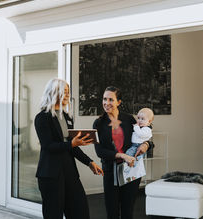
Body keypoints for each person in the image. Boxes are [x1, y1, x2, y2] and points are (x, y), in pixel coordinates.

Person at [35, 78, 103, 219]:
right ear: (53, 93)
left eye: (68, 92)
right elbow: (48, 146)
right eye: (64, 92)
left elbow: (72, 147)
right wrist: (72, 144)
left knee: (80, 211)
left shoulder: (66, 117)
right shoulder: (42, 118)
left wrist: (90, 162)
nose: (67, 96)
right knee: (53, 214)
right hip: (50, 175)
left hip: (69, 173)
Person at [93, 86, 153, 219]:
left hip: (131, 171)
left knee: (128, 211)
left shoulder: (129, 120)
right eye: (104, 99)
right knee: (112, 212)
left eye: (111, 99)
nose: (106, 103)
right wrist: (121, 155)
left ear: (118, 102)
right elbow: (100, 151)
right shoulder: (98, 123)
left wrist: (146, 144)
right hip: (110, 172)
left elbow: (148, 136)